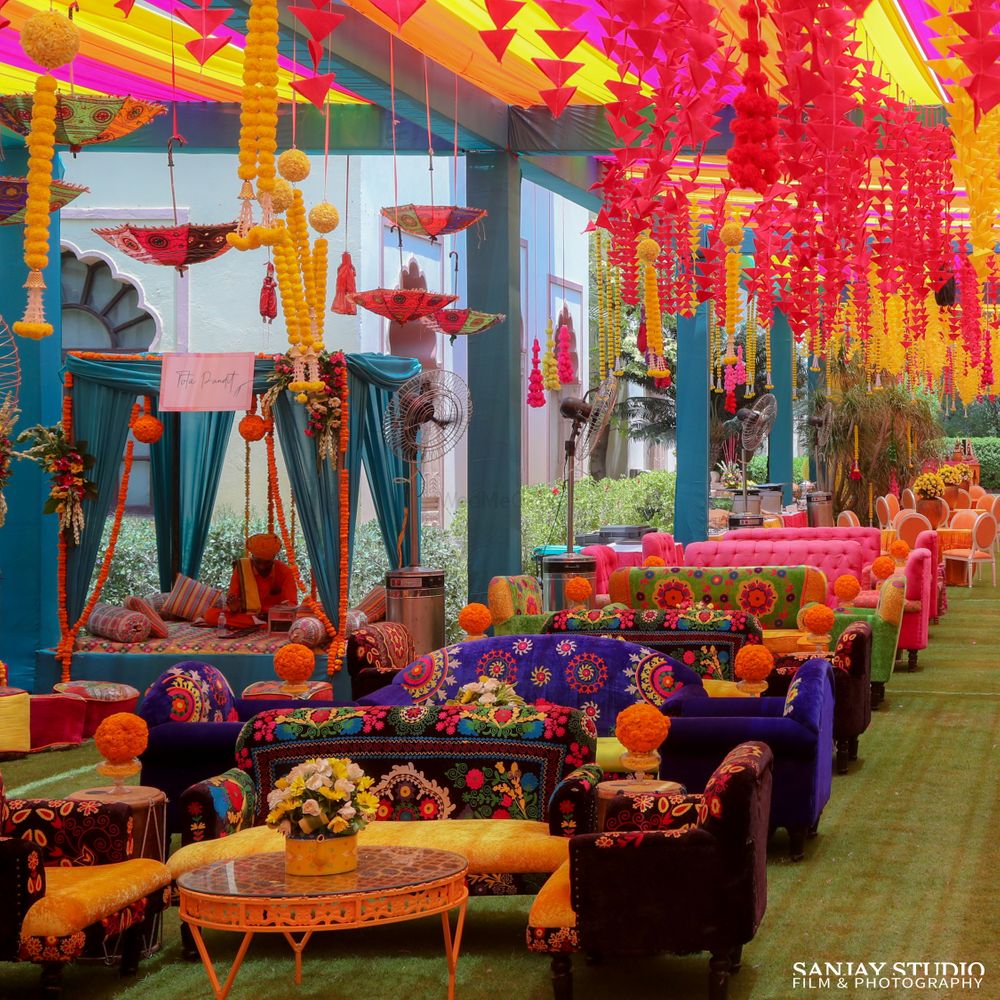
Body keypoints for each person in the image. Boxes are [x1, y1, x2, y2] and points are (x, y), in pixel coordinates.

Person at [204, 533, 298, 629]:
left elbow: (291, 606)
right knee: (210, 615)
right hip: (248, 616)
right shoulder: (241, 569)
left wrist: (273, 613)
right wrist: (234, 608)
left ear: (273, 559)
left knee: (301, 618)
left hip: (274, 617)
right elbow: (232, 602)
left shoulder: (285, 571)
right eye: (258, 562)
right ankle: (260, 625)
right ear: (252, 557)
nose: (262, 566)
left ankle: (259, 624)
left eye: (267, 563)